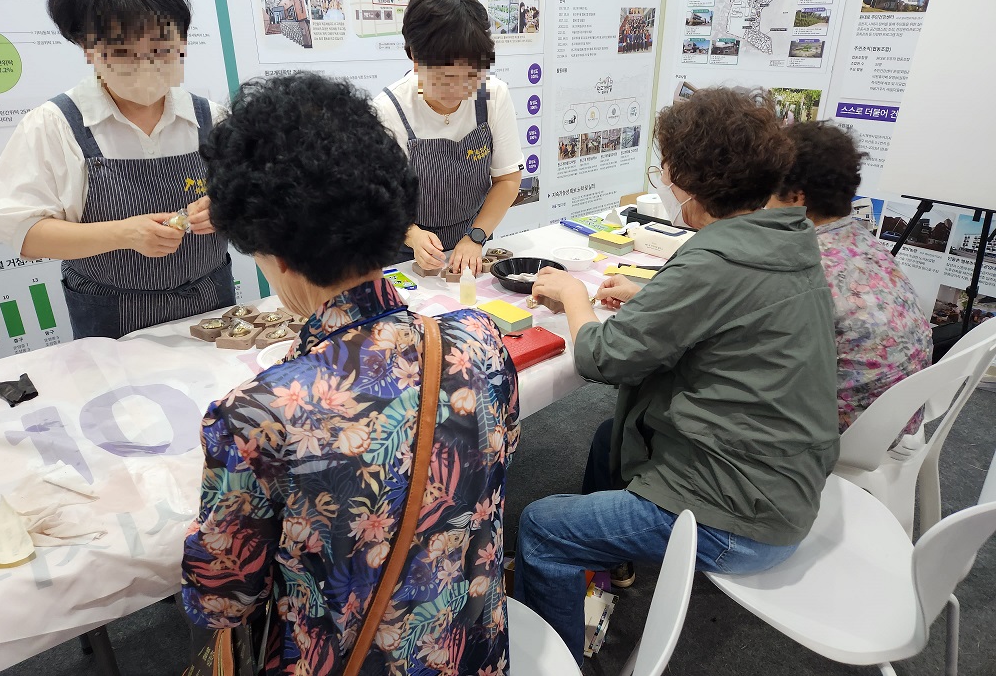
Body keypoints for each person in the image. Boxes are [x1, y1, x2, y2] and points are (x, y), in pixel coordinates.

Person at [181, 73, 520, 676]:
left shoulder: (260, 413)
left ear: (276, 257)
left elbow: (221, 600)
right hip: (476, 653)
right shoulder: (480, 339)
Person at [517, 88, 840, 664]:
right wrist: (652, 296)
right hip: (786, 480)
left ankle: (558, 658)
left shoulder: (713, 260)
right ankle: (607, 565)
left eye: (666, 168)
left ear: (688, 181)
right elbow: (729, 312)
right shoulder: (787, 239)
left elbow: (603, 359)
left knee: (541, 526)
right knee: (605, 440)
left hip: (741, 513)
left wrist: (571, 295)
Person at [0, 0, 233, 339]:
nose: (145, 64)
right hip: (112, 314)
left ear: (183, 39)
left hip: (212, 301)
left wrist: (225, 211)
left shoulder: (212, 118)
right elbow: (26, 234)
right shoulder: (56, 125)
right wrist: (124, 234)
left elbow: (254, 199)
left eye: (160, 47)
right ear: (87, 49)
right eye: (121, 52)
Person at [769, 121, 933, 439]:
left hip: (844, 433)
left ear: (795, 197)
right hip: (900, 418)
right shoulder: (863, 241)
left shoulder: (803, 265)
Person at [373, 0, 524, 275]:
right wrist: (414, 236)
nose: (458, 90)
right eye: (444, 78)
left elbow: (507, 179)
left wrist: (475, 237)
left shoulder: (493, 95)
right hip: (406, 249)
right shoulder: (389, 110)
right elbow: (381, 201)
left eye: (470, 76)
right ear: (415, 60)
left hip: (474, 238)